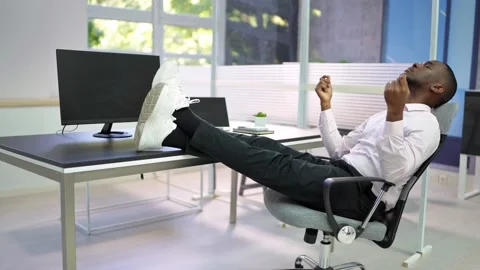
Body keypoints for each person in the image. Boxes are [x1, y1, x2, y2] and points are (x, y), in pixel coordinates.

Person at [134, 59, 457, 222]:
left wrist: (395, 114)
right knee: (262, 145)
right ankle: (167, 135)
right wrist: (326, 105)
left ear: (437, 89)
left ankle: (181, 114)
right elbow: (340, 150)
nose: (417, 64)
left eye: (427, 66)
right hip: (341, 171)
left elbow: (394, 172)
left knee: (269, 162)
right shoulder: (385, 114)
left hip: (359, 195)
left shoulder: (424, 124)